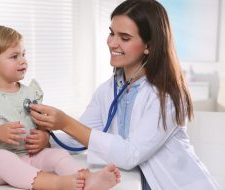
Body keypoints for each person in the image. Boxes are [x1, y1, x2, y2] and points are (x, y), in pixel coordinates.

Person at [29, 0, 221, 190]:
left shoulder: (167, 95)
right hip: (134, 182)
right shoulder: (108, 90)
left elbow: (131, 154)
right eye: (112, 33)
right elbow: (81, 134)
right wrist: (48, 139)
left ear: (149, 45)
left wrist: (65, 122)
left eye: (125, 37)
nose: (112, 43)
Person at [0, 25, 120, 190]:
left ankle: (86, 179)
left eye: (23, 54)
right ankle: (59, 184)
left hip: (30, 156)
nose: (23, 60)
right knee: (1, 158)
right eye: (14, 56)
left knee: (57, 155)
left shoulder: (30, 93)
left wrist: (44, 138)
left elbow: (41, 127)